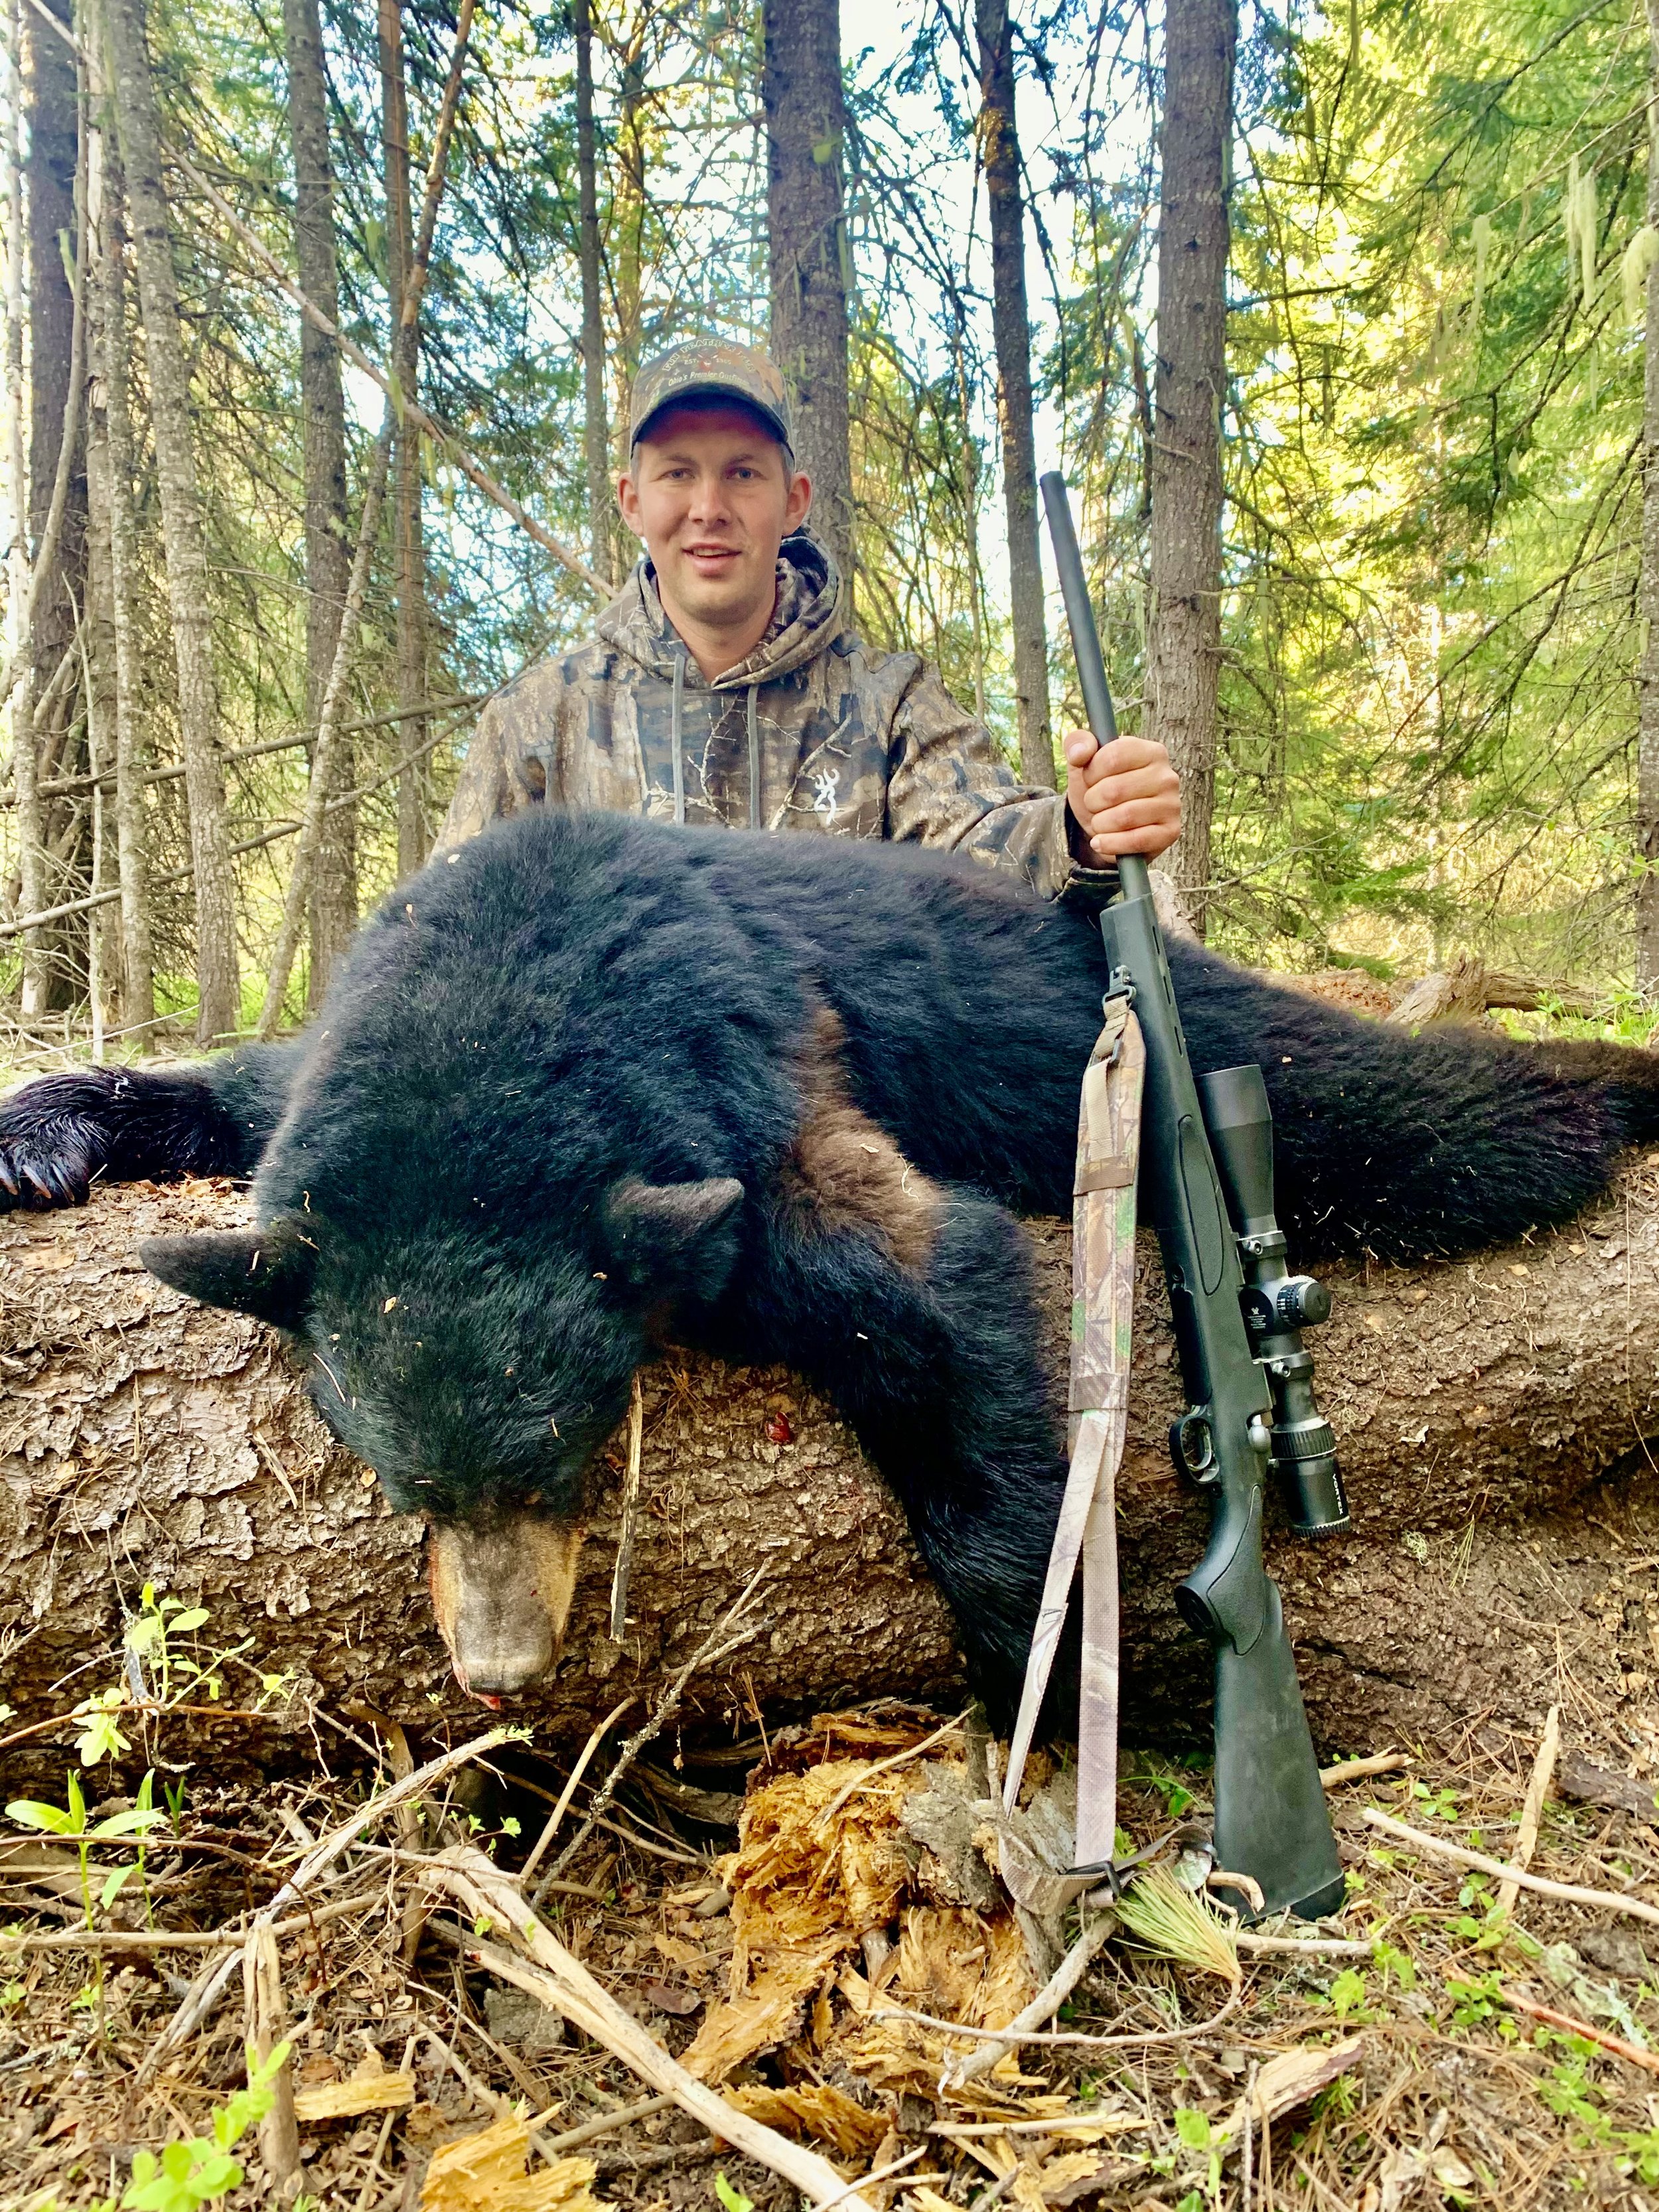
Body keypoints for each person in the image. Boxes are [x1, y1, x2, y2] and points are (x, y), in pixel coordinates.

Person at [437, 339, 1182, 892]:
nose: (708, 509)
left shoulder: (885, 705)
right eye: (676, 474)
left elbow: (984, 848)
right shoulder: (539, 723)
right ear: (632, 501)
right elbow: (447, 937)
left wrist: (1083, 828)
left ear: (792, 500)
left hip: (841, 1090)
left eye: (741, 474)